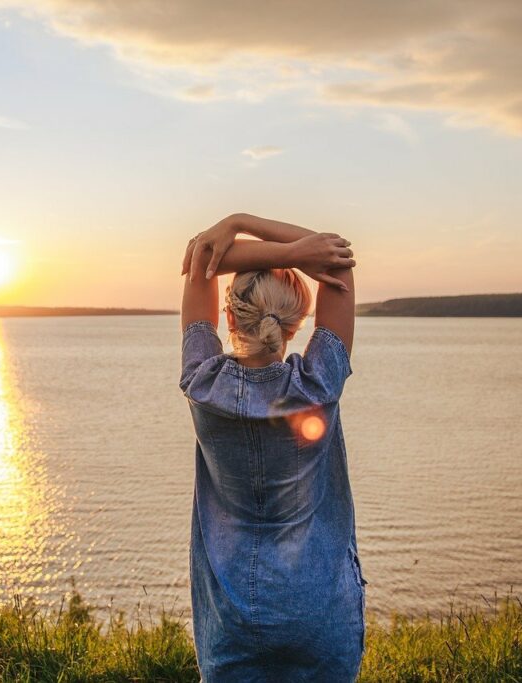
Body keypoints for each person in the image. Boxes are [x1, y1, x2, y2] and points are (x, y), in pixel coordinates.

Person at [179, 213, 366, 682]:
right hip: (320, 612)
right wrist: (273, 238)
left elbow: (202, 257)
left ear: (228, 316)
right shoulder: (318, 384)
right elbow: (338, 261)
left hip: (232, 618)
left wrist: (242, 229)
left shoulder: (203, 383)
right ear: (296, 323)